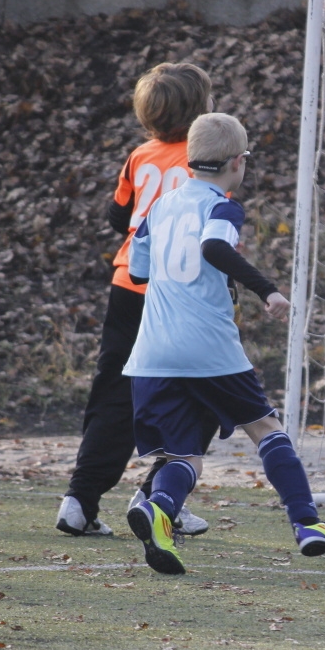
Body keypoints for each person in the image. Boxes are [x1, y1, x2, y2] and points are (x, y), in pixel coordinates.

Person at [122, 112, 325, 575]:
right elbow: (215, 248)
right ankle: (307, 524)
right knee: (266, 429)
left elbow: (139, 271)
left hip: (152, 351)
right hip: (207, 347)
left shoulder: (160, 206)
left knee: (184, 453)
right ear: (239, 162)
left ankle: (159, 510)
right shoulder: (224, 206)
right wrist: (267, 289)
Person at [55, 62, 213, 538]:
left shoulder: (139, 155)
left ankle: (79, 501)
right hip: (181, 293)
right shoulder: (205, 156)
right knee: (200, 395)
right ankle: (160, 497)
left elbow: (117, 216)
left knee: (114, 394)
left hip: (128, 287)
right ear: (201, 109)